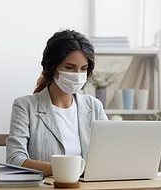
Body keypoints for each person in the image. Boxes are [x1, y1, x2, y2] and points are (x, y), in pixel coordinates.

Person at [6, 29, 108, 176]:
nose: (77, 75)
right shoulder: (25, 106)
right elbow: (15, 159)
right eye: (69, 67)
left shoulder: (94, 106)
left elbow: (108, 154)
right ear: (53, 67)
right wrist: (69, 170)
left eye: (83, 69)